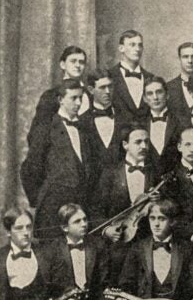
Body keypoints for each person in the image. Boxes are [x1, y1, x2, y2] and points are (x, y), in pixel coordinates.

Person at [21, 79, 97, 240]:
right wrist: (39, 201)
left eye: (80, 98)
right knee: (53, 254)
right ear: (60, 100)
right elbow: (30, 168)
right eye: (73, 98)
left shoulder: (84, 129)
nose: (78, 103)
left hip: (81, 204)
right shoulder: (46, 128)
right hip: (52, 206)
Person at [92, 123, 160, 282]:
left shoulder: (155, 172)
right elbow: (96, 209)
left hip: (148, 239)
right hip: (119, 242)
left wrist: (158, 202)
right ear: (125, 145)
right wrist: (107, 229)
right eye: (138, 142)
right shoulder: (110, 173)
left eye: (146, 142)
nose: (144, 146)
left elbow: (169, 208)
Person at [52, 204, 110, 300]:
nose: (84, 224)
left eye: (84, 219)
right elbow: (56, 285)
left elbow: (105, 282)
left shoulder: (98, 245)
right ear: (65, 227)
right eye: (77, 221)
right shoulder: (54, 249)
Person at [28, 46, 91, 142]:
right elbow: (37, 134)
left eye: (81, 62)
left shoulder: (90, 96)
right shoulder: (50, 96)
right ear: (63, 65)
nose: (78, 65)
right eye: (73, 61)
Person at [80, 68, 129, 172]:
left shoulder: (125, 118)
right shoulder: (82, 122)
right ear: (91, 90)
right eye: (102, 87)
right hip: (93, 186)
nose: (107, 91)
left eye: (110, 86)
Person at [141, 76, 184, 174]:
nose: (155, 97)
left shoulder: (180, 122)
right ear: (145, 99)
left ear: (167, 95)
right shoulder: (139, 124)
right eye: (150, 94)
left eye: (159, 92)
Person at [108, 30, 154, 120]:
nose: (137, 49)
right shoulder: (109, 76)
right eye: (132, 45)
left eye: (140, 45)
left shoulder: (151, 78)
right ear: (121, 48)